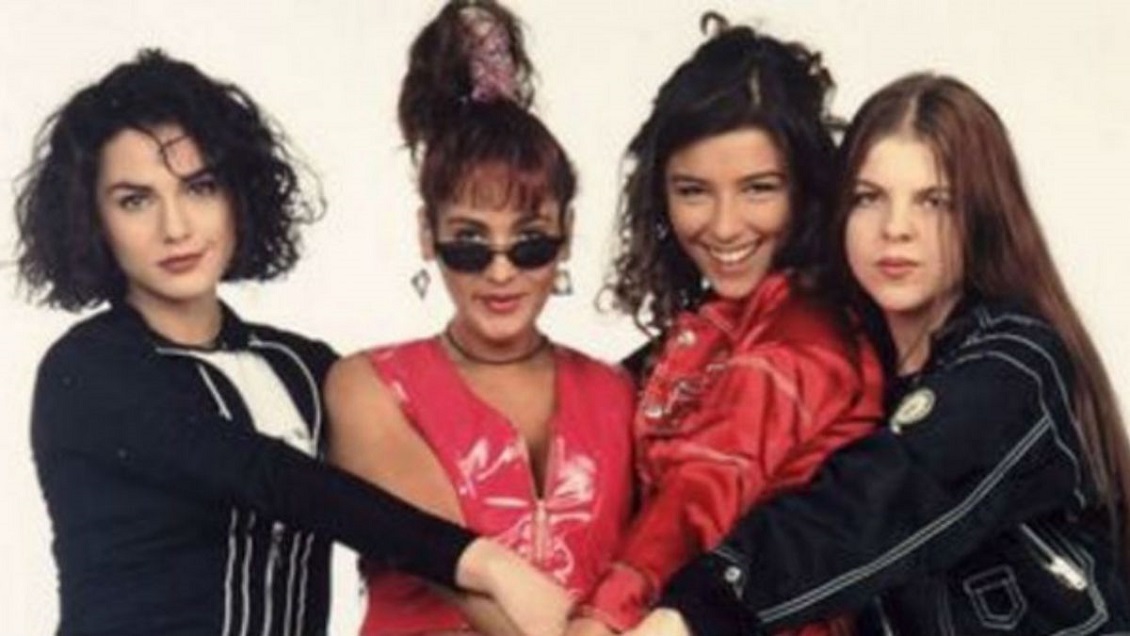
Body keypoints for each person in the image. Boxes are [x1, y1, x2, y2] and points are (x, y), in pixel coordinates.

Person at [16, 49, 570, 636]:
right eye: (135, 200)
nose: (175, 227)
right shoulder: (89, 370)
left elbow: (408, 510)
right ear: (92, 218)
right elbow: (268, 478)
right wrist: (490, 564)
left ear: (238, 193)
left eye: (200, 187)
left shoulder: (302, 367)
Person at [633, 73, 1130, 635]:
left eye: (934, 202)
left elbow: (889, 493)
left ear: (984, 215)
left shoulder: (1014, 364)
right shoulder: (848, 363)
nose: (896, 229)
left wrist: (696, 610)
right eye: (869, 198)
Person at [324, 2, 635, 635]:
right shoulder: (370, 386)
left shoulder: (619, 392)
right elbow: (453, 567)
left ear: (567, 233)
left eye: (529, 243)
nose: (500, 273)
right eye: (469, 242)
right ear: (427, 233)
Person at [569, 16, 884, 636]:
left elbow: (704, 489)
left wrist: (601, 620)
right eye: (693, 191)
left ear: (807, 191)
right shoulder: (713, 327)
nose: (724, 225)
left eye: (758, 189)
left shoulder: (802, 337)